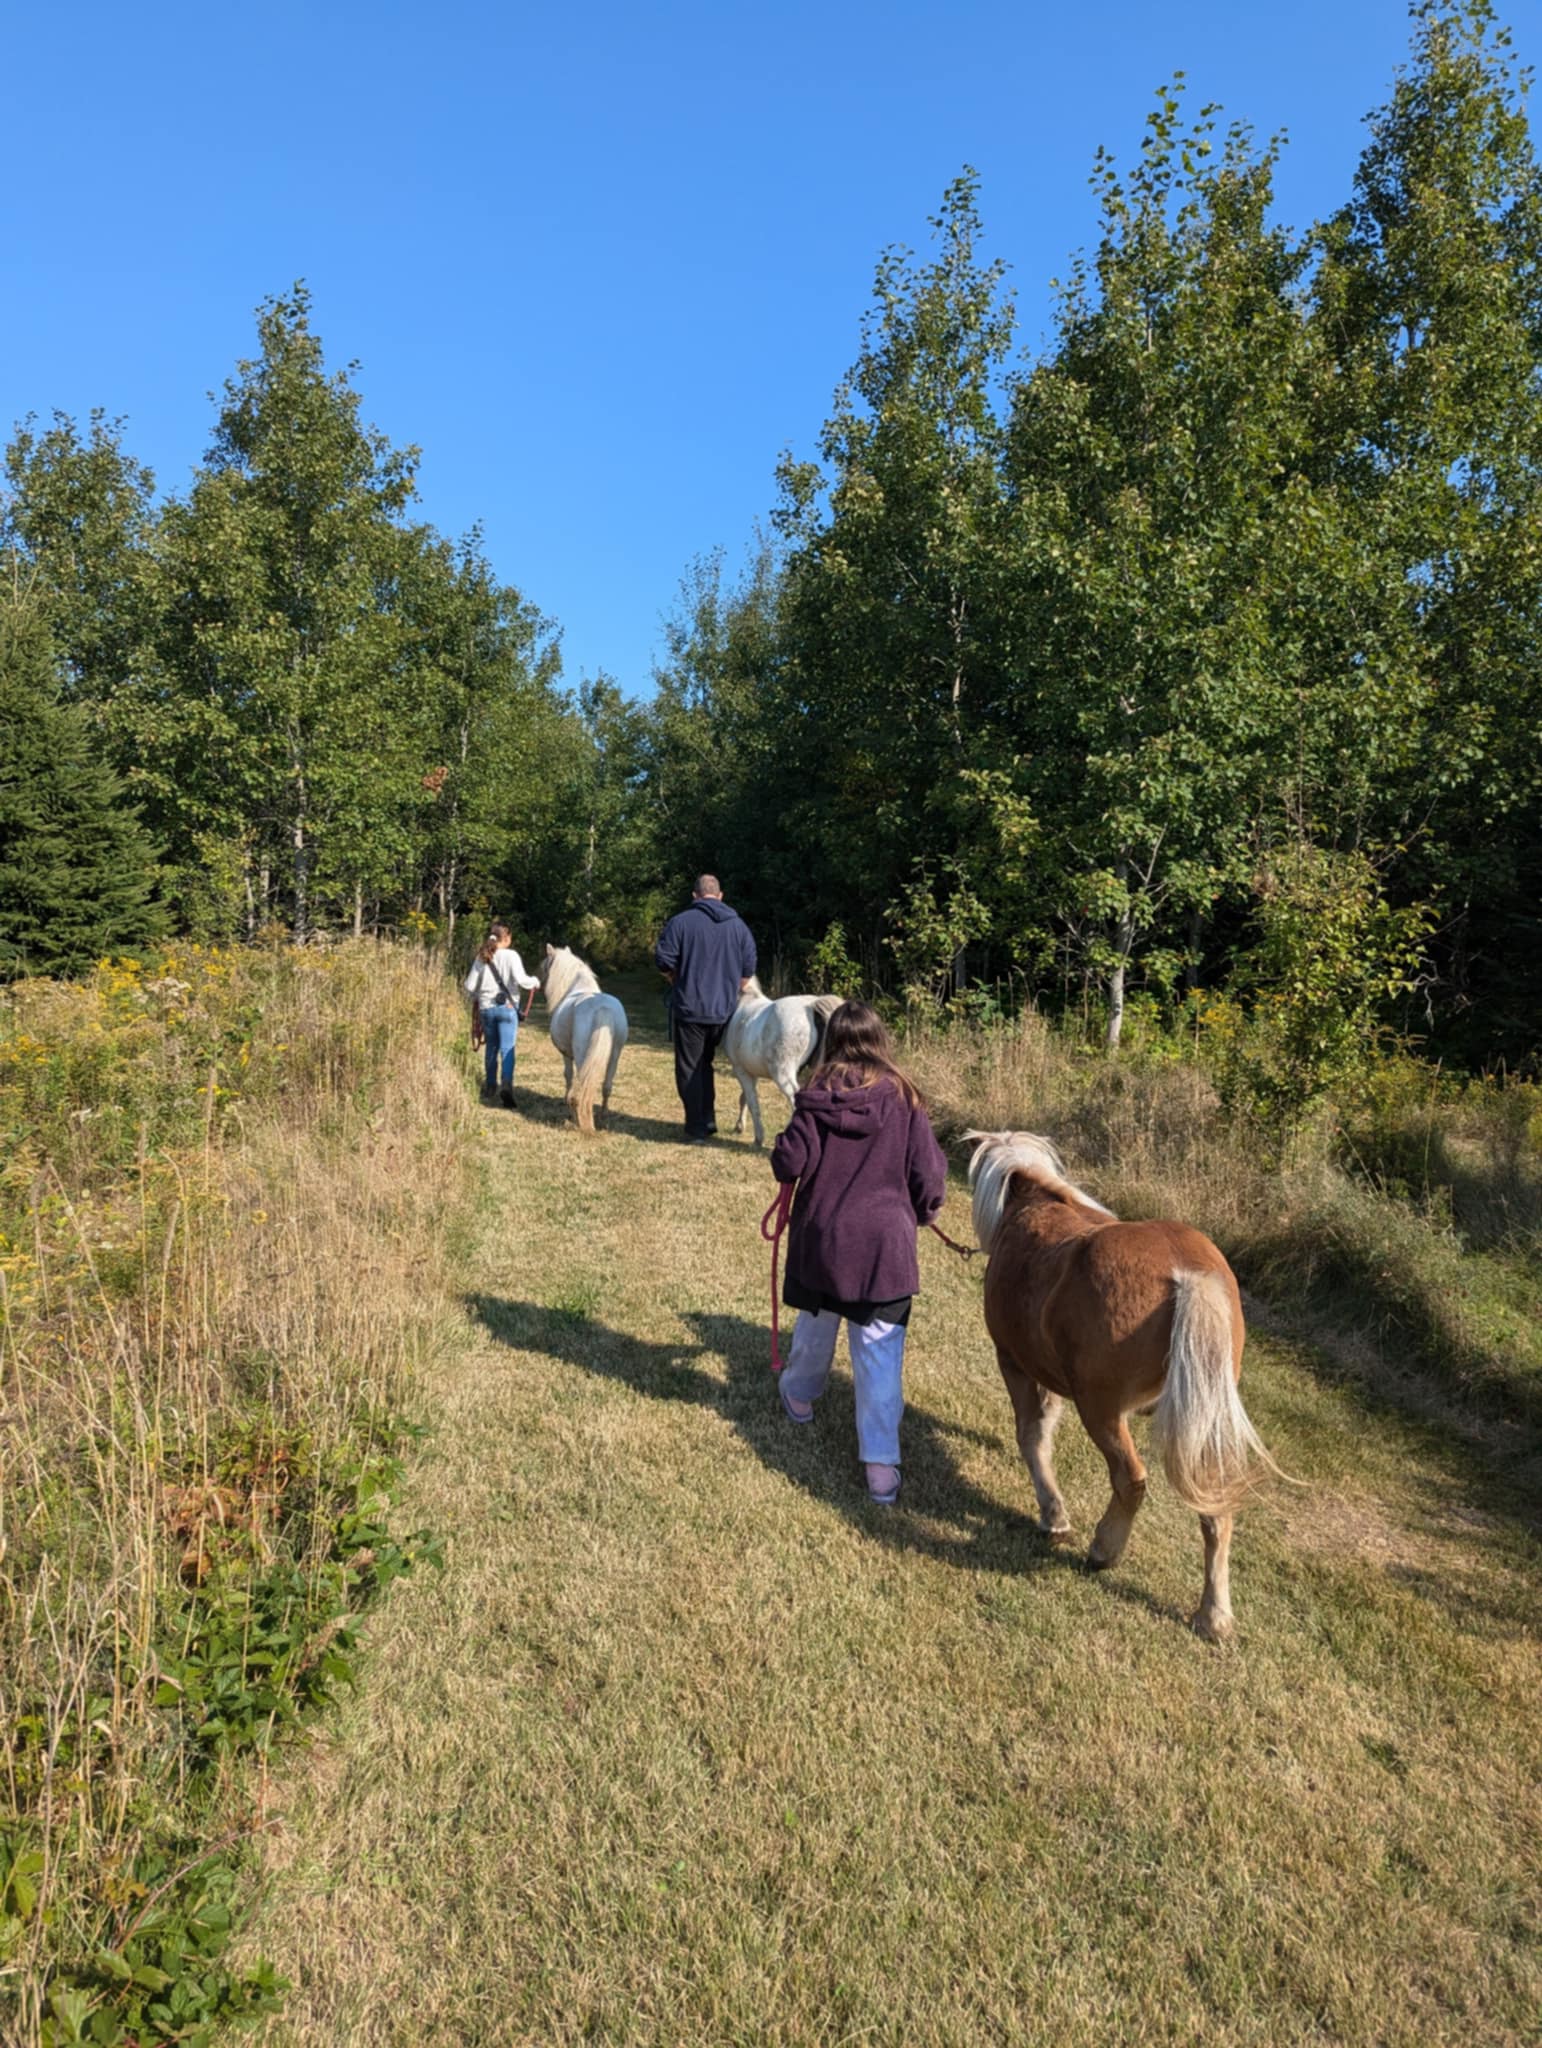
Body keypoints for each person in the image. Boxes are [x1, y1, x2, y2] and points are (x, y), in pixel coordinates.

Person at [770, 1001, 948, 1505]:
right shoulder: (905, 1098)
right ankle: (880, 1469)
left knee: (816, 1322)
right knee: (878, 1353)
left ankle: (799, 1397)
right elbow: (931, 1174)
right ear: (879, 1041)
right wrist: (928, 1207)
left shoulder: (815, 1094)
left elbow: (789, 1161)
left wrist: (786, 1145)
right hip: (883, 1249)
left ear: (832, 1043)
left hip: (823, 1239)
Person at [653, 874, 757, 1144]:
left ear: (694, 895)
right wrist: (732, 989)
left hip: (690, 1008)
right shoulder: (738, 926)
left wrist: (674, 979)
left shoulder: (681, 923)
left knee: (690, 1068)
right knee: (706, 1064)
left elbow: (663, 960)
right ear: (720, 895)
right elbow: (748, 969)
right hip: (724, 1010)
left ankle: (696, 1127)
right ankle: (708, 1119)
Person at [463, 922, 540, 1108]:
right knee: (508, 1048)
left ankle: (490, 1087)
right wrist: (535, 981)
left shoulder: (482, 956)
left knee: (491, 1048)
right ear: (506, 938)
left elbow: (469, 986)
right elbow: (522, 980)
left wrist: (478, 997)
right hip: (507, 1008)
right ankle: (506, 1083)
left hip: (486, 1009)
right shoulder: (512, 955)